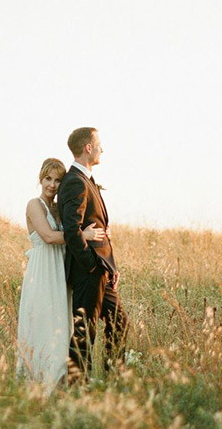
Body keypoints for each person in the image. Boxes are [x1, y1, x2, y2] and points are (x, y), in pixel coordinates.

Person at [16, 157, 106, 393]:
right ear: (41, 179)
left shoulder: (59, 207)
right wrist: (80, 235)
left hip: (59, 271)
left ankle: (59, 382)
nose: (52, 185)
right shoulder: (34, 205)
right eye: (48, 179)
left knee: (61, 324)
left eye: (57, 180)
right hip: (42, 270)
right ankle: (37, 381)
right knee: (43, 323)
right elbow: (47, 236)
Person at [58, 127, 128, 381]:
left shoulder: (86, 179)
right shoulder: (75, 181)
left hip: (101, 271)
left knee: (119, 323)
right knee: (84, 333)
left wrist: (111, 267)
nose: (102, 149)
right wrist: (92, 264)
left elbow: (100, 230)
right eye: (99, 144)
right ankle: (78, 388)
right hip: (88, 271)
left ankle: (112, 380)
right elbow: (71, 230)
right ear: (88, 147)